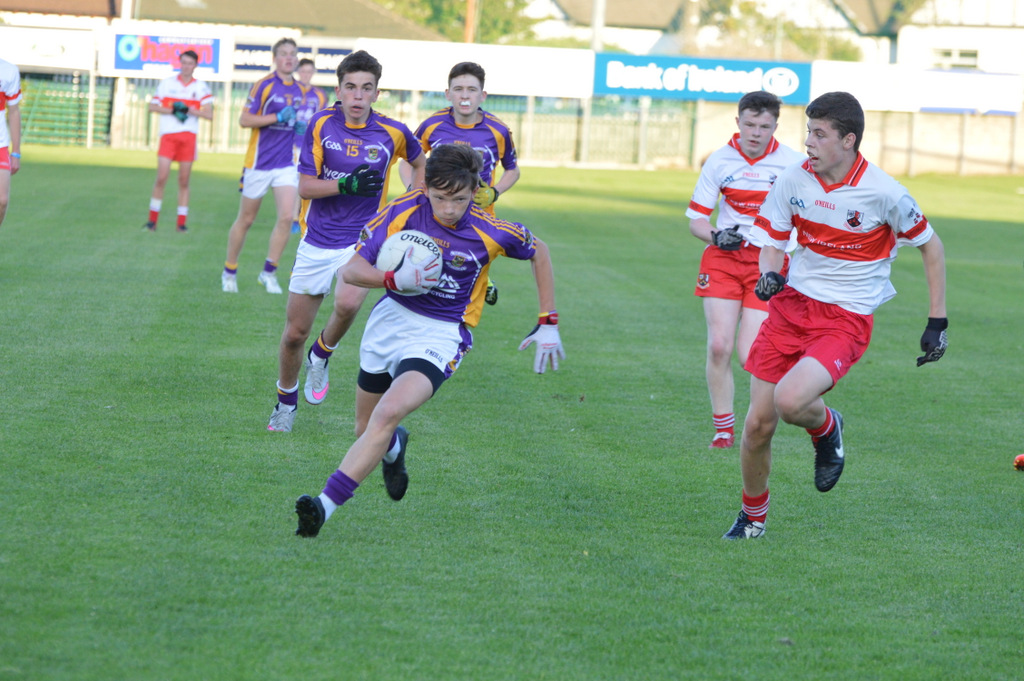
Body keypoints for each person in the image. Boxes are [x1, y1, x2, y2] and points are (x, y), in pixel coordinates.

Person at [293, 143, 564, 537]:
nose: (449, 208)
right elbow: (351, 271)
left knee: (386, 415)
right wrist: (392, 279)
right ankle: (394, 449)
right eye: (439, 198)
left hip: (441, 334)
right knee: (365, 428)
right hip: (389, 322)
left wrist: (548, 321)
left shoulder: (490, 229)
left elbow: (540, 251)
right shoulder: (402, 212)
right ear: (425, 189)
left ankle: (323, 507)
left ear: (476, 191)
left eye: (458, 199)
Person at [723, 91, 948, 540]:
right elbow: (772, 239)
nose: (808, 142)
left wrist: (936, 322)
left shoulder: (885, 193)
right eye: (808, 131)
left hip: (845, 318)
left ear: (848, 140)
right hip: (791, 310)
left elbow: (931, 246)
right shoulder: (794, 179)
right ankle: (753, 518)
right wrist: (769, 273)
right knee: (756, 425)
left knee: (790, 402)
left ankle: (827, 427)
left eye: (819, 134)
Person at [267, 50, 426, 433]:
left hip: (363, 239)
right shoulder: (321, 124)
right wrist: (345, 184)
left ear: (376, 93)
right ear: (338, 90)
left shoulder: (393, 132)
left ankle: (322, 353)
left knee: (348, 301)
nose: (357, 96)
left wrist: (411, 199)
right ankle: (285, 402)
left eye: (366, 88)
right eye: (350, 88)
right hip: (317, 240)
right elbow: (304, 187)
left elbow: (420, 164)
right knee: (293, 336)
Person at [686, 91, 804, 449]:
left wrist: (790, 254)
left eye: (764, 126)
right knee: (719, 346)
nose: (755, 133)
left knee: (750, 353)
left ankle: (758, 426)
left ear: (776, 127)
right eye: (749, 124)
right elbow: (696, 219)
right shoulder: (719, 161)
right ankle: (723, 430)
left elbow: (807, 215)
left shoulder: (793, 164)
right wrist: (717, 236)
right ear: (738, 122)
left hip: (767, 262)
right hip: (723, 259)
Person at [403, 61, 520, 306]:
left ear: (483, 95)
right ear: (448, 94)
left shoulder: (498, 130)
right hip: (438, 210)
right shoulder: (432, 125)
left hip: (477, 215)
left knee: (466, 281)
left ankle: (479, 289)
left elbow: (513, 170)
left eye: (471, 89)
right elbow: (408, 161)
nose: (464, 95)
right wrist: (415, 190)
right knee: (434, 271)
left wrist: (495, 193)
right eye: (458, 89)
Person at [222, 37, 309, 294]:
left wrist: (298, 129)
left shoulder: (299, 90)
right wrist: (276, 117)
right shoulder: (264, 85)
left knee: (286, 217)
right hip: (259, 163)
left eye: (293, 54)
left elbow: (293, 124)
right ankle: (229, 271)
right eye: (284, 53)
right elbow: (244, 119)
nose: (289, 58)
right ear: (275, 58)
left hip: (285, 163)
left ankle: (268, 273)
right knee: (246, 219)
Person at [143, 50, 214, 233]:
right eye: (183, 62)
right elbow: (152, 106)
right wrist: (174, 110)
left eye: (190, 63)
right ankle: (152, 221)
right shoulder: (167, 84)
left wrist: (190, 110)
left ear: (195, 65)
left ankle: (181, 223)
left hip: (188, 136)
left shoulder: (201, 87)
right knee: (162, 177)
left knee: (184, 181)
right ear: (179, 63)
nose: (186, 66)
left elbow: (209, 114)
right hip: (168, 135)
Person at [291, 57, 328, 234]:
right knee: (293, 181)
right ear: (298, 72)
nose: (306, 75)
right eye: (303, 71)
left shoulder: (320, 95)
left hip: (311, 146)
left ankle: (300, 216)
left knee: (307, 181)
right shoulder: (291, 92)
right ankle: (293, 218)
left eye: (309, 71)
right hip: (291, 145)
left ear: (313, 73)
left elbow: (323, 121)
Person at [0, 57, 23, 230]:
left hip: (1, 145)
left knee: (2, 200)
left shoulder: (8, 71)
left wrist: (16, 152)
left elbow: (14, 112)